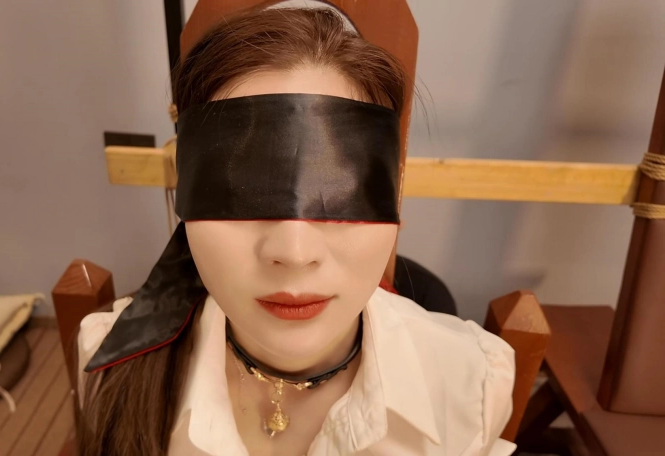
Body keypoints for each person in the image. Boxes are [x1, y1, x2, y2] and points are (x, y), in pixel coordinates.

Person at [75, 6, 516, 456]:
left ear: (393, 192)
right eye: (239, 194)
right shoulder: (111, 367)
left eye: (341, 191)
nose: (294, 251)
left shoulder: (472, 388)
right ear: (186, 189)